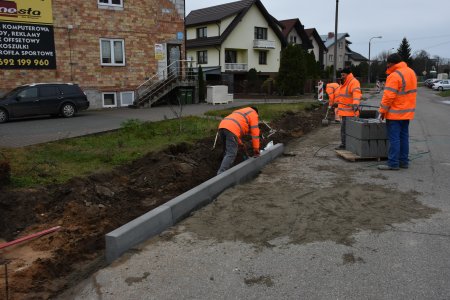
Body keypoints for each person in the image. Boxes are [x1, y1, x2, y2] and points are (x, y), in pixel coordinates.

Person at [377, 53, 417, 170]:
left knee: (394, 139)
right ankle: (403, 162)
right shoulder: (411, 72)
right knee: (404, 138)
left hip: (395, 114)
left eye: (387, 64)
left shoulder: (394, 75)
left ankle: (393, 163)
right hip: (407, 113)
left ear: (391, 63)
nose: (387, 66)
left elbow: (389, 97)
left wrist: (382, 111)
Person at [217, 106, 260, 175]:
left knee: (227, 151)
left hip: (222, 126)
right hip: (231, 129)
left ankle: (226, 170)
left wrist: (240, 144)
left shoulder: (242, 111)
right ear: (256, 112)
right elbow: (255, 134)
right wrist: (256, 150)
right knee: (231, 153)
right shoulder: (254, 114)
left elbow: (235, 129)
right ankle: (220, 174)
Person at [334, 67, 362, 149]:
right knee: (345, 130)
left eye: (343, 75)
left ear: (348, 74)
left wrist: (355, 104)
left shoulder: (353, 82)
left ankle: (345, 145)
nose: (342, 76)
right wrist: (337, 102)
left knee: (347, 130)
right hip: (344, 112)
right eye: (341, 75)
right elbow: (341, 95)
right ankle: (346, 144)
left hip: (350, 112)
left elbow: (357, 93)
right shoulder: (344, 83)